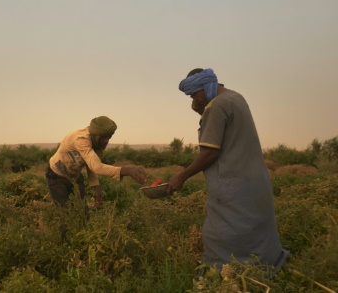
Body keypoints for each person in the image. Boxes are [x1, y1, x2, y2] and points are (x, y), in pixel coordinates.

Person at [168, 68, 289, 274]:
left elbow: (210, 152)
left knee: (219, 234)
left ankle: (225, 277)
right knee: (256, 231)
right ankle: (265, 270)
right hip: (255, 181)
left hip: (233, 185)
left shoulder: (216, 106)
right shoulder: (236, 98)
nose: (194, 99)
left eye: (194, 94)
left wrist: (182, 175)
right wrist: (202, 114)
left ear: (204, 87)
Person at [46, 116, 148, 210]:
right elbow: (97, 167)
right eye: (104, 137)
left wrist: (96, 187)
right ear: (96, 134)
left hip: (74, 177)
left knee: (82, 210)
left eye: (109, 136)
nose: (106, 140)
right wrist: (127, 170)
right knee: (66, 211)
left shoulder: (96, 142)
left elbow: (91, 164)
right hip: (56, 175)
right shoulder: (81, 140)